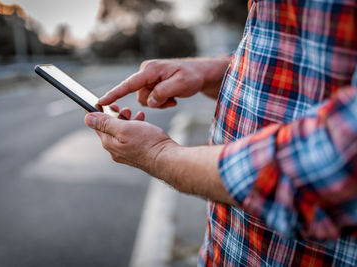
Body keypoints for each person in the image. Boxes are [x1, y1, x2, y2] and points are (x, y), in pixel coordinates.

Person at [85, 0, 357, 265]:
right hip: (230, 248)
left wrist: (159, 156)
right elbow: (308, 55)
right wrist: (218, 71)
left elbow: (337, 159)